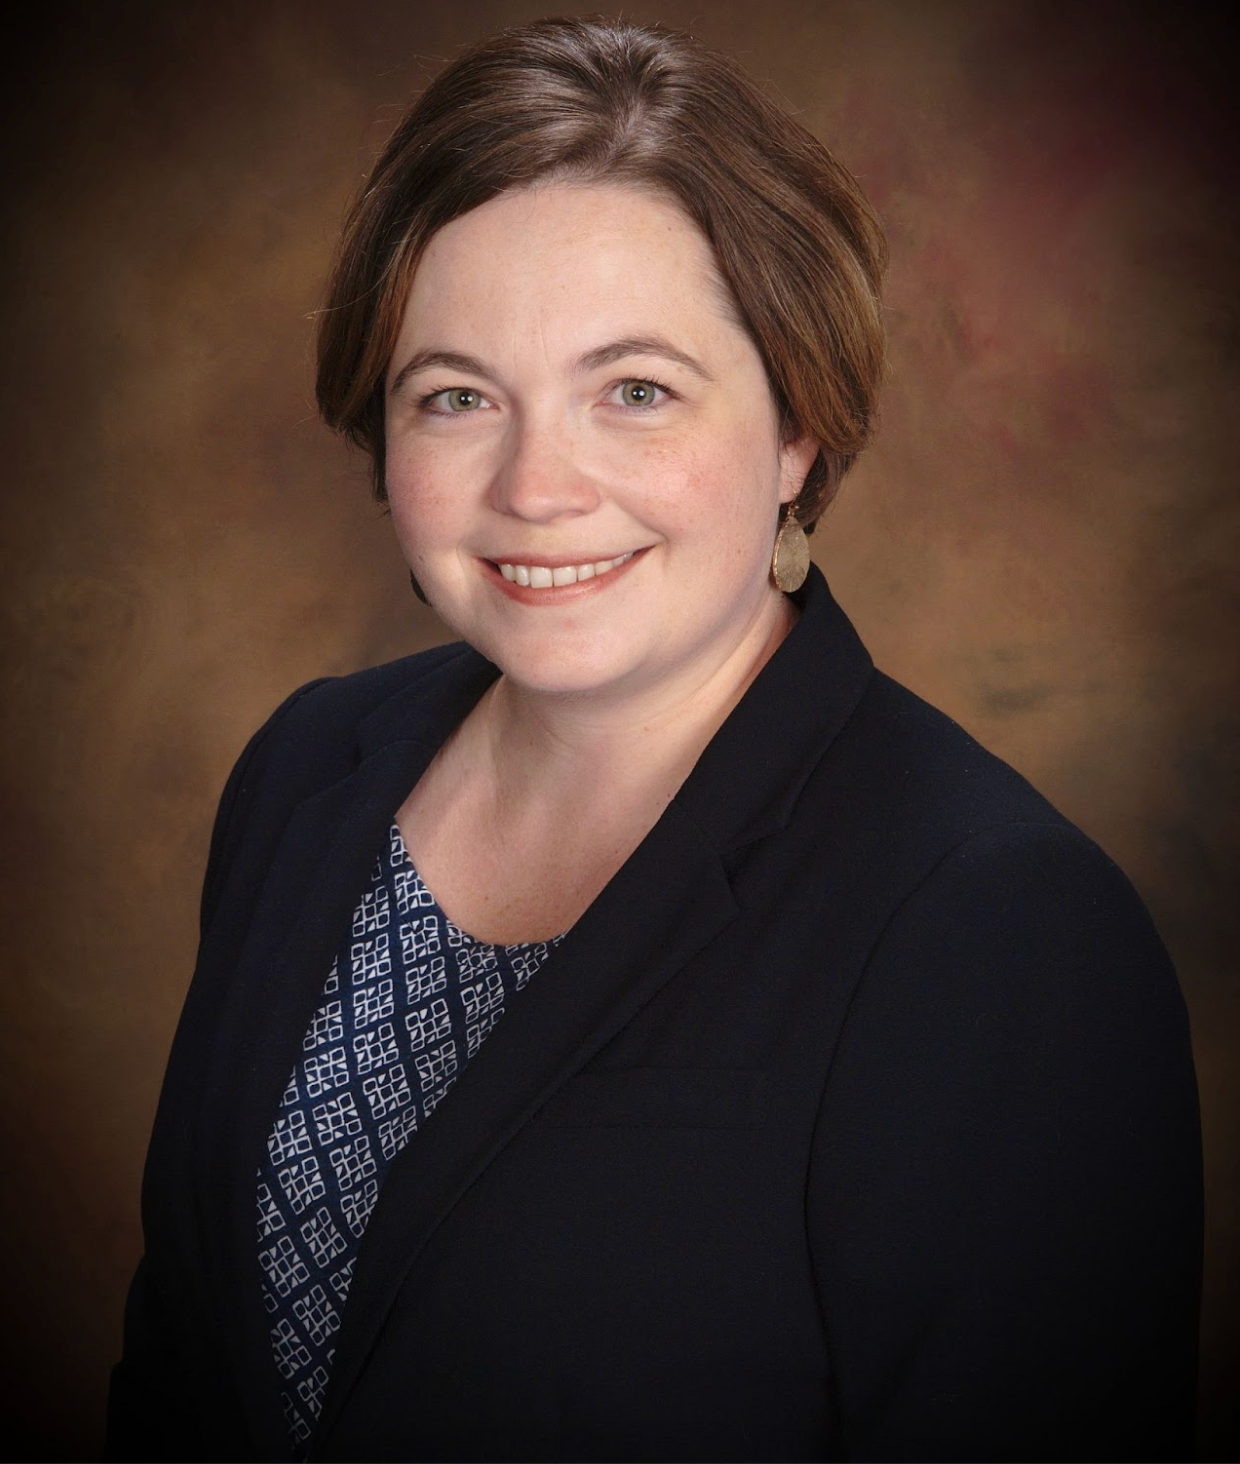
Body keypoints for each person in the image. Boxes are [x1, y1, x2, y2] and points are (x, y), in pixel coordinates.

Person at [108, 17, 1202, 1463]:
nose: (536, 486)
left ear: (799, 427)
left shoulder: (996, 927)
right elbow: (185, 1376)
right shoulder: (310, 769)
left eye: (635, 390)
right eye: (456, 396)